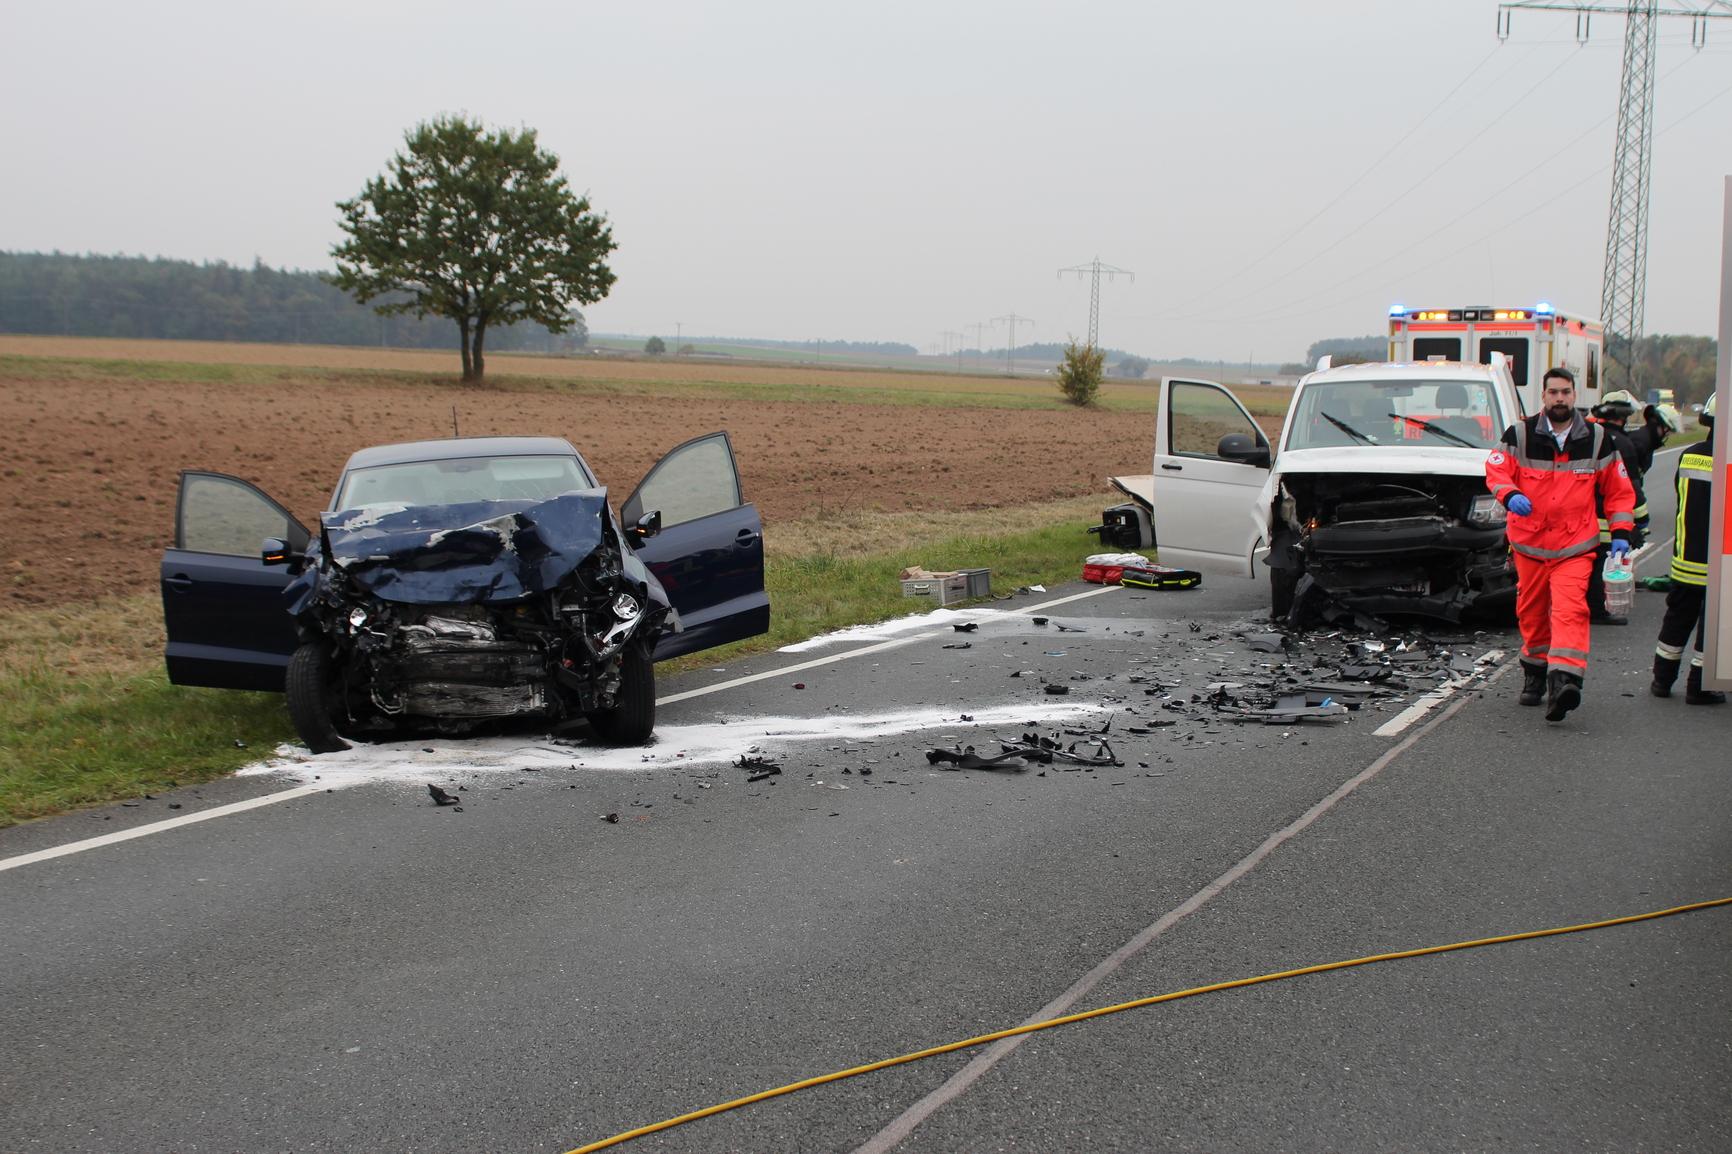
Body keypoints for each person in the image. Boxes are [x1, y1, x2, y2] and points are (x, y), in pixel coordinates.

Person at [1486, 367, 1637, 721]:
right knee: (1533, 612)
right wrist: (1509, 494)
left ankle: (1564, 681)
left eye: (1566, 392)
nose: (1559, 398)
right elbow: (1496, 470)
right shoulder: (1520, 434)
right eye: (1553, 392)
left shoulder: (1598, 439)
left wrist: (1620, 533)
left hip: (1575, 546)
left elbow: (1618, 492)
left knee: (1570, 610)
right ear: (1543, 396)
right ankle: (1535, 676)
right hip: (1530, 544)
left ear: (1574, 396)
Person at [1651, 392, 1726, 705]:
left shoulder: (1690, 455)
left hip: (1686, 559)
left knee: (1677, 618)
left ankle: (1662, 680)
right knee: (1715, 626)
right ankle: (1700, 686)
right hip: (1720, 565)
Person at [1585, 389, 1649, 625]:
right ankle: (1597, 611)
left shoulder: (1589, 436)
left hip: (1581, 518)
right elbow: (1631, 488)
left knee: (1585, 565)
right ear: (1623, 416)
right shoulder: (1623, 443)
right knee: (1600, 564)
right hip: (1608, 518)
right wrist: (1640, 522)